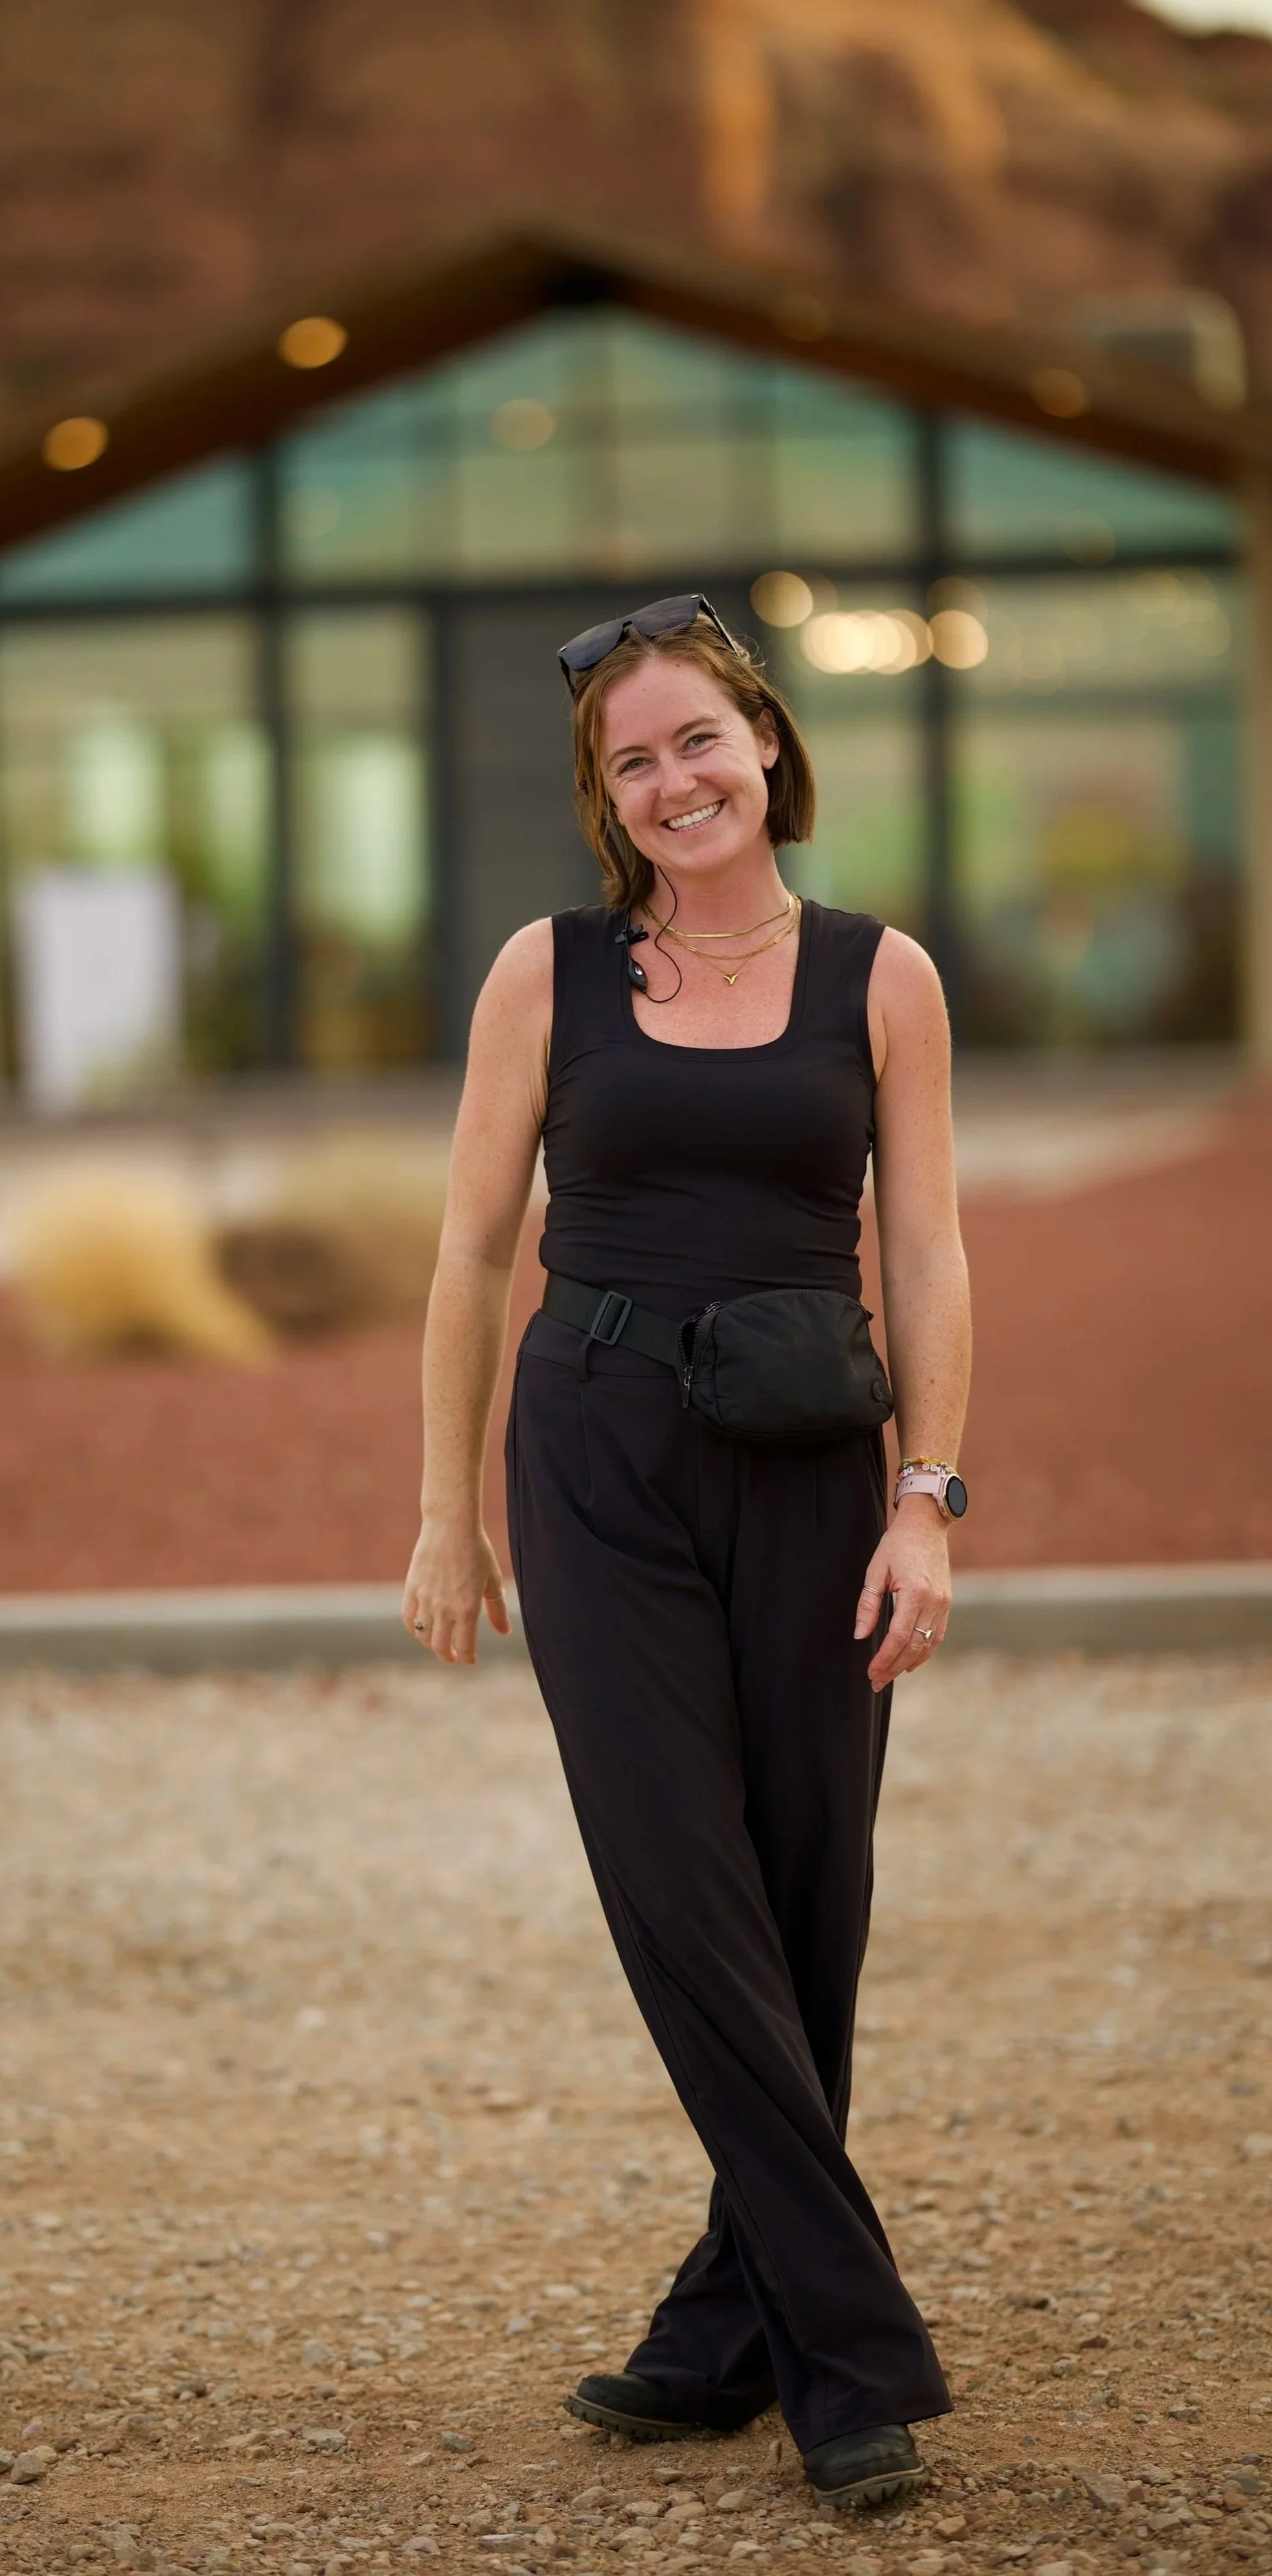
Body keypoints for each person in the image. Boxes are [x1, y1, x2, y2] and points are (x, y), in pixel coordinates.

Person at [402, 596, 972, 2513]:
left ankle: (722, 2330)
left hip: (818, 1465)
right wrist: (444, 1509)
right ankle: (849, 2359)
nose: (672, 783)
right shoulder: (542, 972)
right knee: (681, 1887)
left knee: (805, 1899)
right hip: (598, 1462)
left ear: (765, 743)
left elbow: (927, 1252)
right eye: (630, 761)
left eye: (696, 742)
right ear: (606, 794)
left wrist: (931, 1496)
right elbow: (474, 1250)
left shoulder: (880, 973)